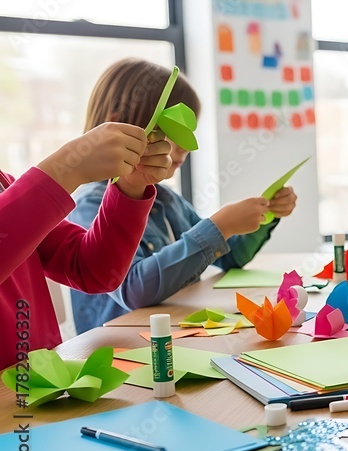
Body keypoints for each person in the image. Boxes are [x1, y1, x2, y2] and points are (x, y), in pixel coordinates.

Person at [68, 59, 298, 332]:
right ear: (120, 124)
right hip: (122, 346)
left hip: (172, 334)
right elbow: (133, 289)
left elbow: (229, 257)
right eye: (175, 129)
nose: (188, 147)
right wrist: (220, 226)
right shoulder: (91, 204)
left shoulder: (166, 199)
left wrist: (266, 213)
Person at [0, 121, 169, 369]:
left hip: (37, 385)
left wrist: (131, 186)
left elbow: (90, 269)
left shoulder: (4, 183)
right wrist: (67, 168)